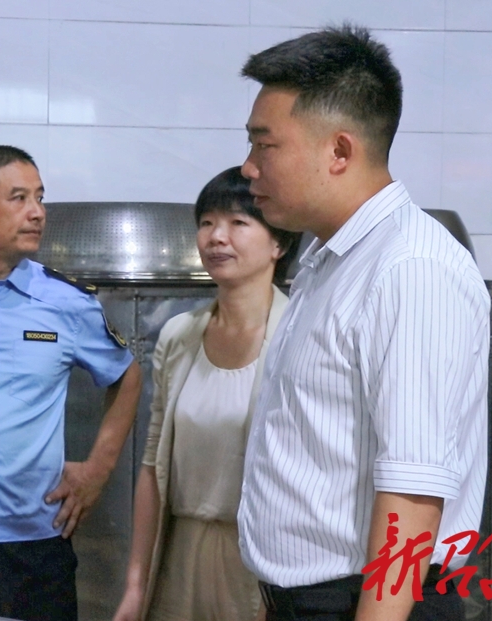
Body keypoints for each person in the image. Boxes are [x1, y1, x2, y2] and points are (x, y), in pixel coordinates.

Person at [235, 26, 490, 621]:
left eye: (264, 146)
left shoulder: (410, 268)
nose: (247, 168)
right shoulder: (330, 260)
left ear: (340, 151)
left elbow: (412, 497)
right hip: (308, 602)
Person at [0, 145, 143, 621]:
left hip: (34, 546)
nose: (37, 212)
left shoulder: (67, 303)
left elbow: (126, 375)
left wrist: (97, 470)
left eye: (39, 198)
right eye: (18, 198)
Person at [113, 169, 299, 621]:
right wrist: (136, 585)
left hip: (263, 563)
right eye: (207, 222)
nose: (217, 237)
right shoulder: (180, 335)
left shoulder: (299, 335)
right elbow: (153, 466)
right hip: (179, 556)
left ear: (278, 243)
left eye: (238, 223)